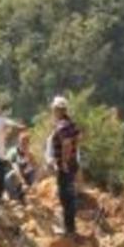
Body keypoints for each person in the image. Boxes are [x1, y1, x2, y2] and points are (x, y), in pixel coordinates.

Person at [45, 96, 81, 235]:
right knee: (69, 196)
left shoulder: (62, 125)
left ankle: (68, 229)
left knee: (65, 197)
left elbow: (66, 143)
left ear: (57, 110)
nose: (53, 112)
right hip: (72, 164)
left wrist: (64, 161)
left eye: (54, 110)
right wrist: (72, 157)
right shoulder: (71, 123)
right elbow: (77, 139)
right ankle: (70, 228)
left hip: (65, 166)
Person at [5, 131, 37, 204]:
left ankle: (24, 195)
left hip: (22, 176)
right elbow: (16, 169)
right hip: (12, 176)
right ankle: (14, 198)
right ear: (19, 142)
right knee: (10, 176)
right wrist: (23, 182)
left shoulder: (29, 153)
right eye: (22, 142)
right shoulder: (13, 152)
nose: (24, 145)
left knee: (32, 172)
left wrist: (29, 156)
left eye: (26, 142)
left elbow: (35, 166)